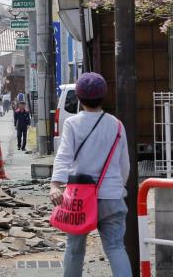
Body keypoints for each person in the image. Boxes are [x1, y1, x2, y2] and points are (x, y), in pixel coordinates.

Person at [50, 72, 131, 277]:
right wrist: (120, 188)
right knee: (115, 248)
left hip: (80, 197)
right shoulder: (116, 124)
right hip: (112, 196)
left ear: (79, 97)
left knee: (75, 248)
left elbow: (64, 156)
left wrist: (55, 185)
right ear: (103, 96)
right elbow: (124, 165)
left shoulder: (72, 124)